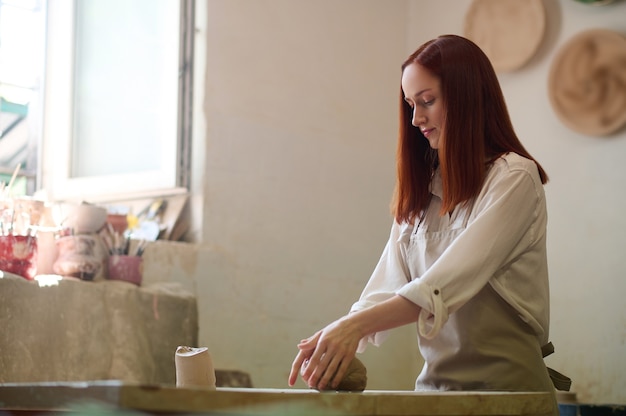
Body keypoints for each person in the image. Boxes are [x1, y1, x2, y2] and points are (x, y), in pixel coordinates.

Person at [288, 34, 561, 411]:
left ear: (466, 97)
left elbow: (442, 285)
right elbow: (384, 289)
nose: (416, 118)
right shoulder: (422, 194)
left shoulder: (514, 178)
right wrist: (330, 340)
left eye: (427, 101)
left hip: (510, 398)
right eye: (410, 105)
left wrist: (352, 330)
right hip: (433, 397)